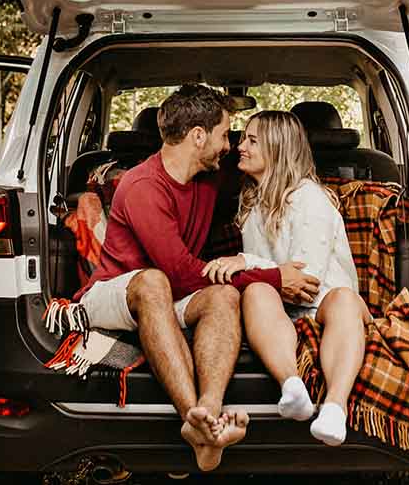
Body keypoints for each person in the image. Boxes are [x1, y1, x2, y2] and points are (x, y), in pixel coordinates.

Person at [71, 86, 321, 471]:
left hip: (170, 292)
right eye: (225, 134)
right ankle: (194, 422)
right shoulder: (142, 186)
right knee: (154, 281)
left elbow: (274, 175)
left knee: (223, 295)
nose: (230, 146)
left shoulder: (211, 178)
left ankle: (209, 411)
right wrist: (273, 276)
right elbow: (180, 274)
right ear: (198, 136)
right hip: (114, 291)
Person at [201, 110, 369, 446]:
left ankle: (335, 408)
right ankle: (292, 387)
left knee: (345, 300)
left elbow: (307, 282)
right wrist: (251, 272)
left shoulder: (310, 198)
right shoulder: (252, 201)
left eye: (251, 140)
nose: (240, 147)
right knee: (255, 292)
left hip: (323, 301)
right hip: (281, 305)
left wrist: (244, 261)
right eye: (241, 138)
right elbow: (275, 280)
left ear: (277, 148)